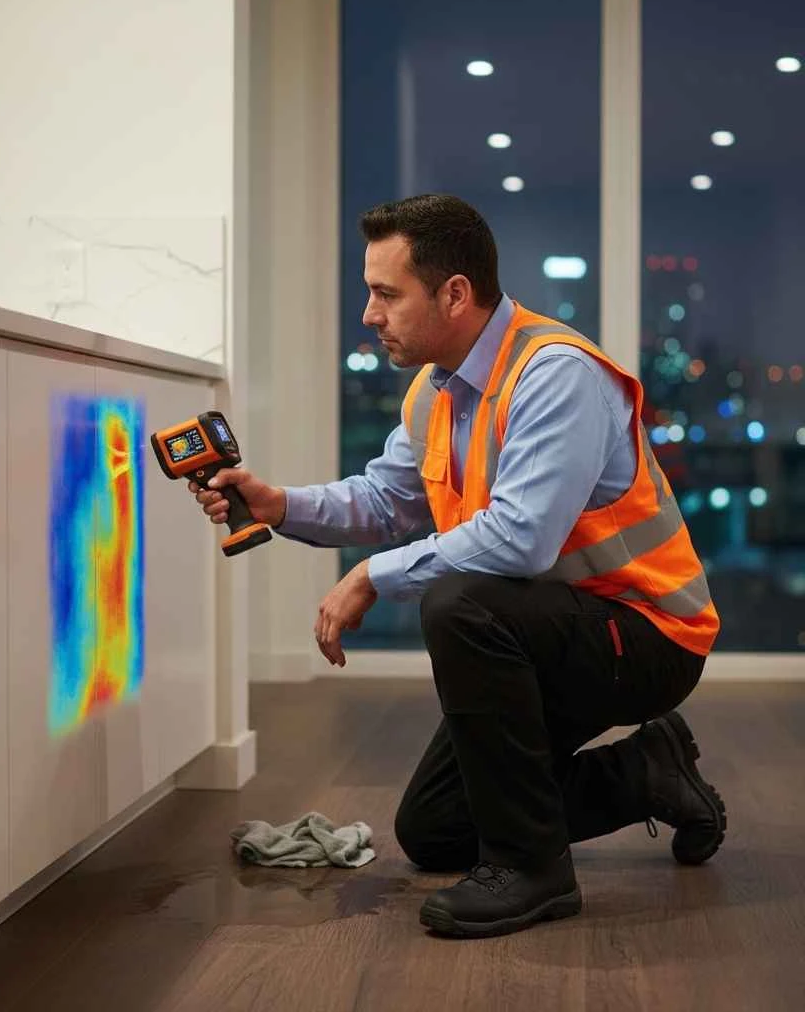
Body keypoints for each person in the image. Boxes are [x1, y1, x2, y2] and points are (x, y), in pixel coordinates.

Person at [190, 194, 726, 939]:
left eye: (385, 294)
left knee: (459, 603)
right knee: (436, 828)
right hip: (551, 629)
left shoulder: (555, 375)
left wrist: (371, 576)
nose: (370, 315)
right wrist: (278, 504)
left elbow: (521, 540)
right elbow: (386, 500)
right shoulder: (437, 389)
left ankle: (534, 872)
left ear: (454, 293)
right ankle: (647, 772)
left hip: (647, 634)